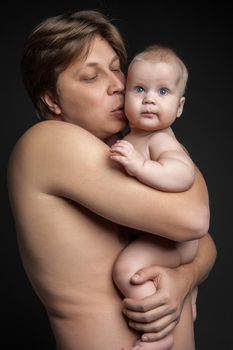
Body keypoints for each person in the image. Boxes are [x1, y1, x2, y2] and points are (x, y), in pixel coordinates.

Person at [7, 10, 216, 350]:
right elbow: (192, 218)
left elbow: (203, 242)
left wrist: (183, 279)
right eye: (91, 77)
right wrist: (166, 145)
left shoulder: (133, 151)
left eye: (117, 68)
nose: (118, 84)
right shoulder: (48, 142)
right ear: (51, 99)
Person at [110, 45, 200, 350]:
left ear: (179, 106)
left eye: (163, 91)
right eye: (139, 89)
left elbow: (182, 174)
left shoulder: (161, 139)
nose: (149, 99)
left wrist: (142, 166)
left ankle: (159, 336)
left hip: (174, 243)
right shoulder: (131, 137)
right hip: (162, 238)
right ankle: (189, 290)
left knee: (128, 270)